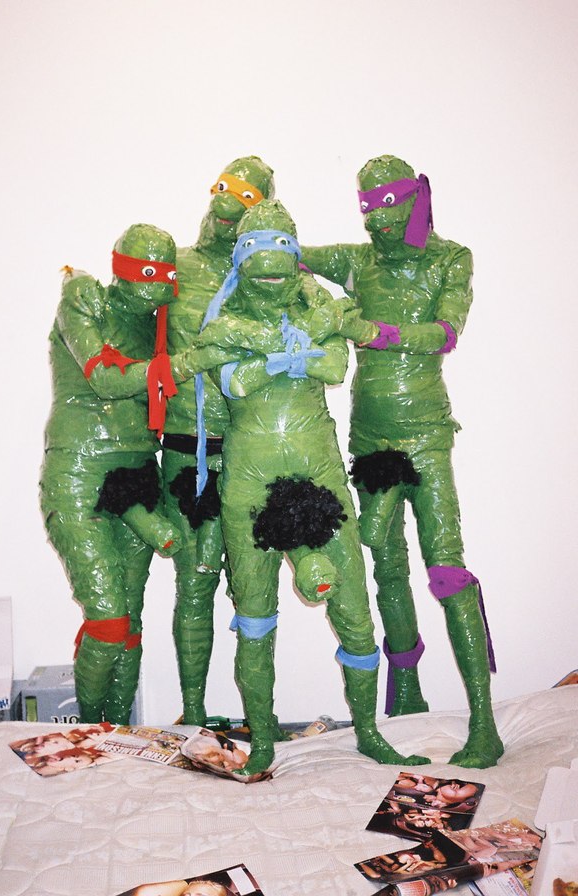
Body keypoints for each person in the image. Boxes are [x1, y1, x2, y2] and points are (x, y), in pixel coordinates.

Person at [187, 198, 429, 777]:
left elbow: (333, 367)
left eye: (281, 257)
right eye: (258, 257)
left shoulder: (319, 306)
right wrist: (286, 357)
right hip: (249, 482)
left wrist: (283, 353)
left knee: (354, 609)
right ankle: (264, 741)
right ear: (242, 262)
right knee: (254, 616)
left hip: (318, 472)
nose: (270, 273)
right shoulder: (222, 319)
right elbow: (235, 382)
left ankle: (368, 731)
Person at [302, 155, 503, 768]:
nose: (377, 222)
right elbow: (292, 256)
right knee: (385, 564)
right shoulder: (357, 260)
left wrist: (377, 332)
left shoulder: (450, 258)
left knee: (446, 571)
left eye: (387, 207)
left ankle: (485, 724)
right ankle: (407, 690)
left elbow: (446, 332)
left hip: (425, 434)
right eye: (368, 210)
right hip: (370, 436)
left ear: (413, 200)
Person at [41, 224, 182, 724]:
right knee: (108, 620)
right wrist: (180, 365)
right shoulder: (86, 299)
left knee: (131, 622)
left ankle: (120, 734)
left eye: (163, 278)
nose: (154, 289)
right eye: (147, 274)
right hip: (79, 468)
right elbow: (103, 377)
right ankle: (91, 732)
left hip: (139, 470)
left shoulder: (160, 324)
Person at [161, 157, 276, 726]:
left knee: (255, 589)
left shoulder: (269, 274)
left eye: (246, 199)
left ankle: (260, 721)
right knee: (195, 581)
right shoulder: (175, 268)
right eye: (223, 192)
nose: (227, 207)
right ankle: (192, 713)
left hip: (252, 451)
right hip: (188, 445)